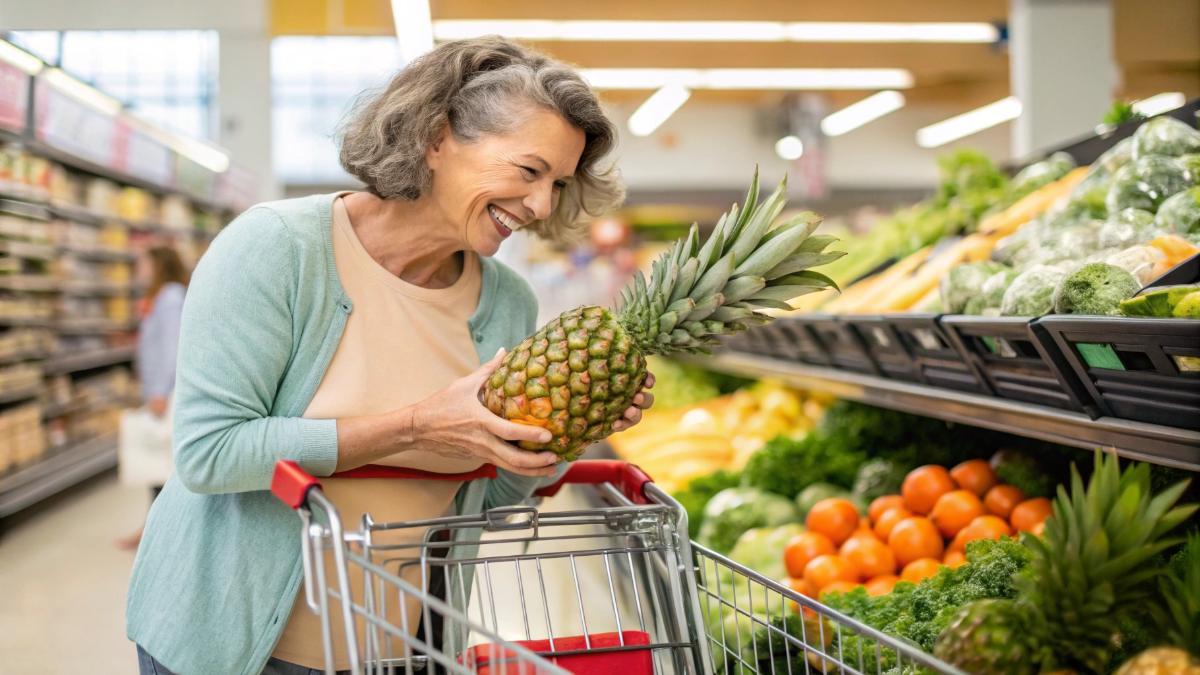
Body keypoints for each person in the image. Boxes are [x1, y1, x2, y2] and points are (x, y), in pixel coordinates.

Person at [127, 37, 653, 675]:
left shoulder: (506, 302)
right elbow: (210, 452)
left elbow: (494, 501)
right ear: (437, 138)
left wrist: (569, 428)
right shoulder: (278, 250)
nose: (542, 205)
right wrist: (416, 426)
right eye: (528, 171)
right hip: (232, 646)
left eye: (560, 183)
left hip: (398, 648)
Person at [115, 245, 188, 550]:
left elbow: (172, 345)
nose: (138, 267)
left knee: (163, 462)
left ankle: (157, 531)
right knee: (159, 464)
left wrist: (159, 390)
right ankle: (153, 527)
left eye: (143, 261)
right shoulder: (163, 296)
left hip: (166, 392)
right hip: (160, 389)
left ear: (158, 264)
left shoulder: (170, 296)